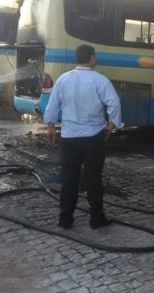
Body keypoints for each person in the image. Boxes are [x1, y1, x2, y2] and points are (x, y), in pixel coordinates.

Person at [43, 44, 122, 230]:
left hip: (69, 137)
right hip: (93, 137)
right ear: (91, 58)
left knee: (69, 179)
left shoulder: (63, 79)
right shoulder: (99, 80)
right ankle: (96, 219)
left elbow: (53, 104)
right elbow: (114, 102)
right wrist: (112, 124)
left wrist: (51, 125)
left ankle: (65, 219)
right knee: (93, 179)